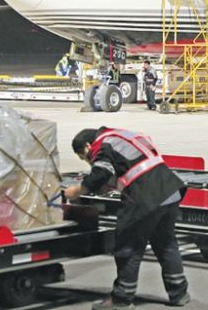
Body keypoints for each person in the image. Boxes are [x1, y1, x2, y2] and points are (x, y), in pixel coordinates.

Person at [65, 127, 190, 310]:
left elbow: (102, 171)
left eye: (84, 157)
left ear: (87, 146)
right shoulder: (121, 136)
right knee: (166, 243)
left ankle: (122, 299)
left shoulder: (102, 144)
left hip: (146, 196)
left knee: (128, 247)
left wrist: (78, 190)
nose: (88, 161)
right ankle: (179, 293)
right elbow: (131, 166)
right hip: (170, 190)